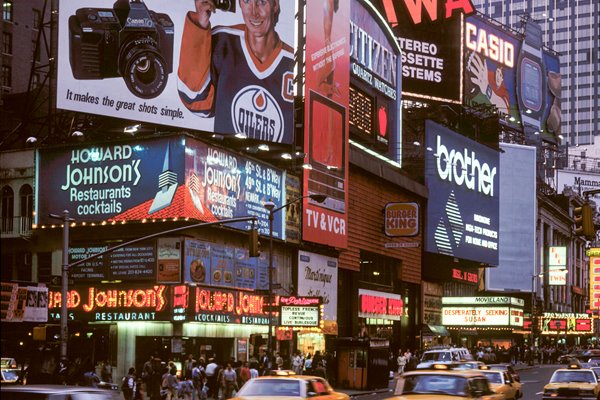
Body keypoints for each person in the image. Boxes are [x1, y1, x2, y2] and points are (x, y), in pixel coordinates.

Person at [177, 0, 294, 143]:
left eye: (262, 2)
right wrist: (200, 24)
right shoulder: (223, 41)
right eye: (246, 2)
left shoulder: (293, 63)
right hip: (225, 158)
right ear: (239, 4)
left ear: (275, 5)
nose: (254, 13)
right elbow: (194, 100)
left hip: (275, 161)